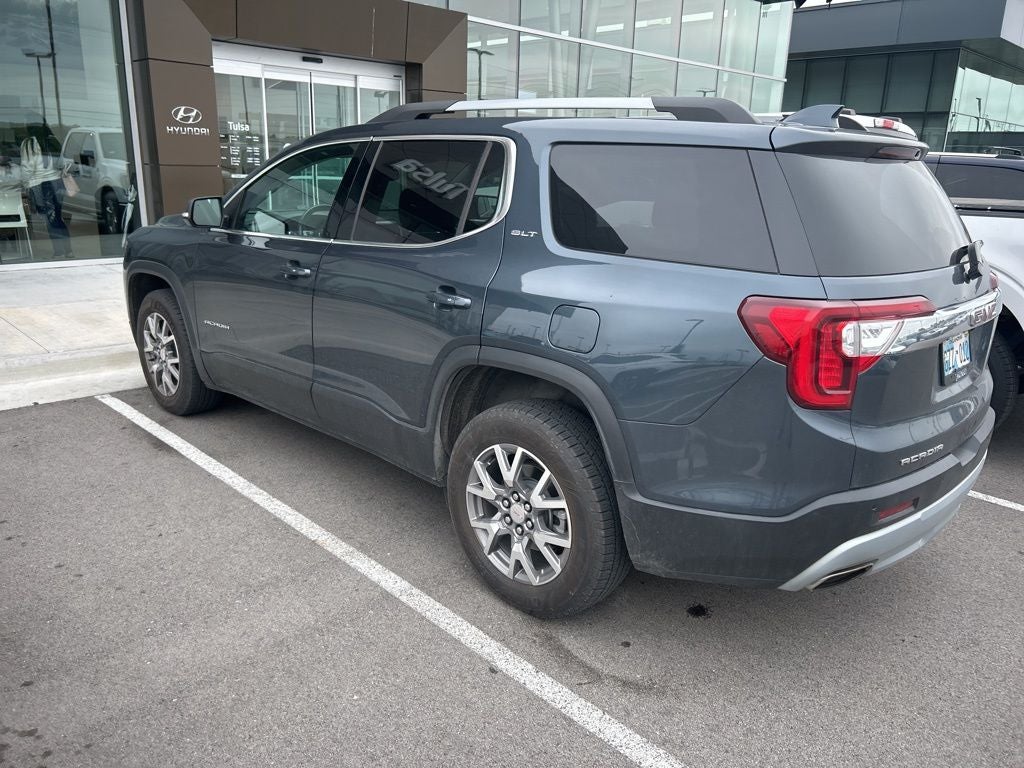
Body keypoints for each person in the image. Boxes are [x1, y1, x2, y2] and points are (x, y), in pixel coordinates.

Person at [20, 134, 73, 259]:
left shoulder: (29, 143)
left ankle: (59, 252)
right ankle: (68, 251)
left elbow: (27, 167)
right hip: (58, 183)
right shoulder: (52, 139)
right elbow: (63, 162)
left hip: (41, 184)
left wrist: (24, 183)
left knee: (50, 220)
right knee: (58, 218)